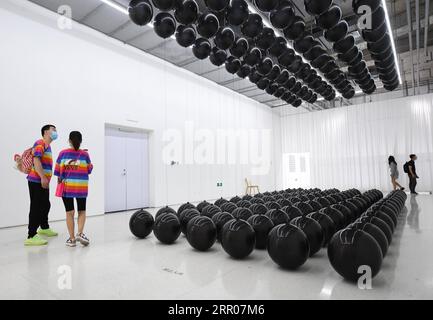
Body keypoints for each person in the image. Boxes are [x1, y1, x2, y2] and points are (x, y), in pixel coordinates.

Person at [54, 131, 93, 247]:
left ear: (69, 141)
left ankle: (72, 239)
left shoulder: (62, 154)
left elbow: (57, 172)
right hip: (81, 187)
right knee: (81, 211)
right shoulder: (85, 155)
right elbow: (89, 169)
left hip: (67, 187)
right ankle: (80, 233)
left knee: (69, 212)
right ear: (80, 141)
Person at [25, 124, 58, 246]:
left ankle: (44, 227)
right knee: (36, 207)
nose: (55, 132)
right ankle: (31, 235)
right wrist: (43, 177)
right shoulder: (40, 142)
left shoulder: (47, 146)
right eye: (53, 130)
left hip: (43, 181)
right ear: (45, 132)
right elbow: (36, 160)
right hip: (36, 180)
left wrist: (45, 179)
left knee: (45, 204)